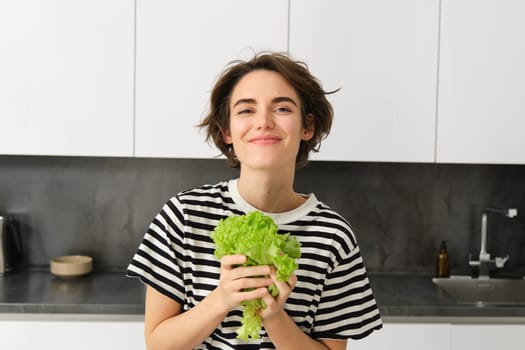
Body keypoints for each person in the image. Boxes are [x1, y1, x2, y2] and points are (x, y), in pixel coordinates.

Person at [127, 52, 382, 349]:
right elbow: (157, 345)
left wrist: (273, 315)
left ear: (306, 128)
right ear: (227, 132)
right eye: (246, 110)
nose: (263, 121)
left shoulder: (333, 236)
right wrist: (222, 298)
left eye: (282, 108)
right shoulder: (183, 216)